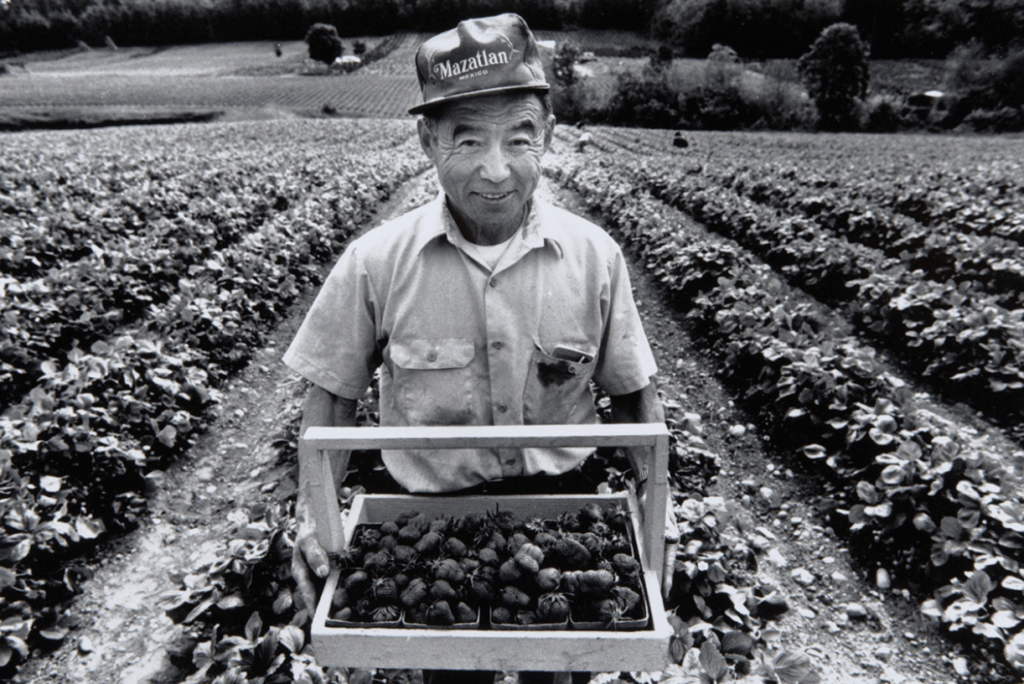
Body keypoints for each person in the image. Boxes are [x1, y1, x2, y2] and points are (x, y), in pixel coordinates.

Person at [283, 12, 663, 682]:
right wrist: (315, 520)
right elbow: (332, 400)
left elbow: (635, 394)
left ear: (548, 134)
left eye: (520, 139)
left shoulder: (595, 259)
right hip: (433, 526)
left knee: (560, 665)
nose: (496, 171)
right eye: (467, 140)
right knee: (452, 670)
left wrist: (658, 512)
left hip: (562, 515)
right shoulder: (375, 263)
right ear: (428, 140)